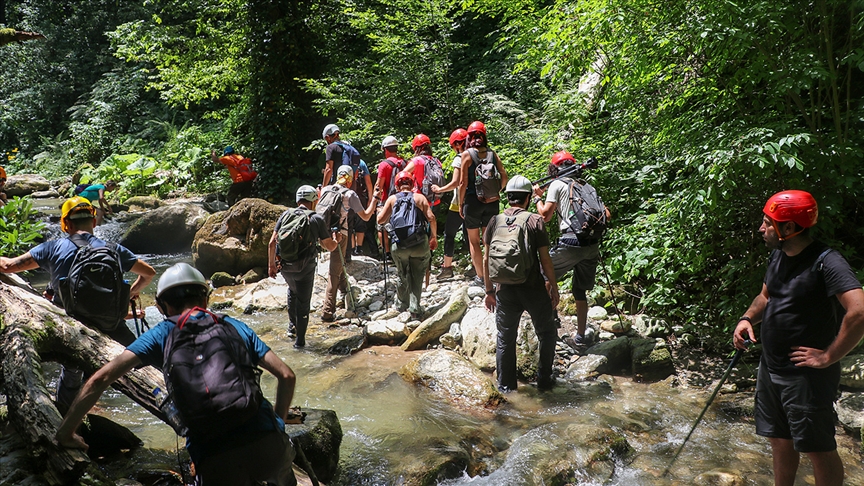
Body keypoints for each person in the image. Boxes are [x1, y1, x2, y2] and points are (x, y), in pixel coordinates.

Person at [55, 263, 298, 486]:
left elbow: (99, 379)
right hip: (268, 446)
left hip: (215, 458)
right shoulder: (232, 325)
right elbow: (287, 376)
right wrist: (277, 423)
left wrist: (66, 433)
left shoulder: (160, 334)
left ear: (161, 306)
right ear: (205, 297)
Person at [733, 190, 864, 486]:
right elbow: (766, 297)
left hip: (806, 376)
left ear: (788, 228)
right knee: (779, 440)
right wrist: (746, 319)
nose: (761, 229)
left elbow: (859, 311)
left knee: (819, 449)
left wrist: (828, 355)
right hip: (772, 368)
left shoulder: (827, 262)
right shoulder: (778, 255)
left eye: (768, 223)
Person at [0, 196, 155, 410]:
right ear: (93, 222)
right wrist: (130, 293)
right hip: (111, 322)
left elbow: (8, 266)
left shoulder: (51, 248)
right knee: (143, 362)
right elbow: (149, 273)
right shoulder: (113, 249)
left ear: (67, 224)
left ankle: (65, 416)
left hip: (72, 325)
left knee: (72, 371)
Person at [483, 175, 559, 392]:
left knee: (505, 338)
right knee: (547, 333)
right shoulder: (535, 220)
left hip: (504, 289)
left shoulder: (494, 221)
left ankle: (506, 388)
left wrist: (489, 291)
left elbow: (487, 259)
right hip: (532, 287)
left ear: (508, 198)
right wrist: (553, 286)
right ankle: (544, 381)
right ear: (527, 198)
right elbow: (546, 259)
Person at [533, 151, 610, 347]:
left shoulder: (556, 185)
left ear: (554, 169)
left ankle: (549, 320)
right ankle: (580, 337)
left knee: (543, 274)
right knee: (579, 290)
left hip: (570, 242)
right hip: (591, 245)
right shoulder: (586, 186)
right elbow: (607, 215)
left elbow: (544, 216)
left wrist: (537, 198)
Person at [268, 185, 339, 347]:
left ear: (297, 200)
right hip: (305, 268)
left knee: (292, 291)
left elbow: (272, 243)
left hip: (285, 266)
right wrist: (337, 240)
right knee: (303, 302)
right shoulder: (316, 218)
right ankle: (300, 342)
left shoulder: (285, 215)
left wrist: (271, 266)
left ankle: (292, 327)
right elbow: (329, 246)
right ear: (314, 200)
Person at [319, 164, 381, 322]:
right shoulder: (350, 194)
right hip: (341, 235)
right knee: (334, 271)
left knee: (338, 264)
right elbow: (366, 216)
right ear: (350, 179)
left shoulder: (326, 189)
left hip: (323, 233)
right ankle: (327, 311)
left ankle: (345, 289)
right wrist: (375, 199)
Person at [377, 171, 437, 318]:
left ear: (397, 186)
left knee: (402, 273)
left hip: (399, 245)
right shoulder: (420, 198)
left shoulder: (392, 199)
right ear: (412, 184)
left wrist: (379, 208)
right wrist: (433, 237)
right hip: (419, 244)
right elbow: (431, 217)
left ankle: (401, 304)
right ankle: (415, 309)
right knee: (417, 274)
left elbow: (380, 221)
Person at [458, 121, 508, 286]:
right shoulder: (493, 154)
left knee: (474, 241)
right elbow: (504, 175)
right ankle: (492, 275)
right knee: (489, 241)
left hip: (472, 203)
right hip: (492, 202)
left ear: (469, 138)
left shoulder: (467, 155)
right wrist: (497, 191)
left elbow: (462, 183)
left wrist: (460, 204)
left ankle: (480, 277)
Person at [431, 128, 469, 279]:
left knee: (449, 234)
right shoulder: (478, 155)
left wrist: (440, 189)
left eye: (453, 146)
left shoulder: (460, 158)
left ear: (458, 144)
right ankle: (478, 268)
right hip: (474, 202)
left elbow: (455, 183)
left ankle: (447, 268)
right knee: (470, 236)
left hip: (458, 203)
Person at [376, 136, 405, 261]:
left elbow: (379, 185)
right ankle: (401, 250)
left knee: (381, 226)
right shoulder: (405, 163)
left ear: (385, 149)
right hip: (402, 200)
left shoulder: (384, 165)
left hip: (386, 200)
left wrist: (374, 202)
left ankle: (387, 254)